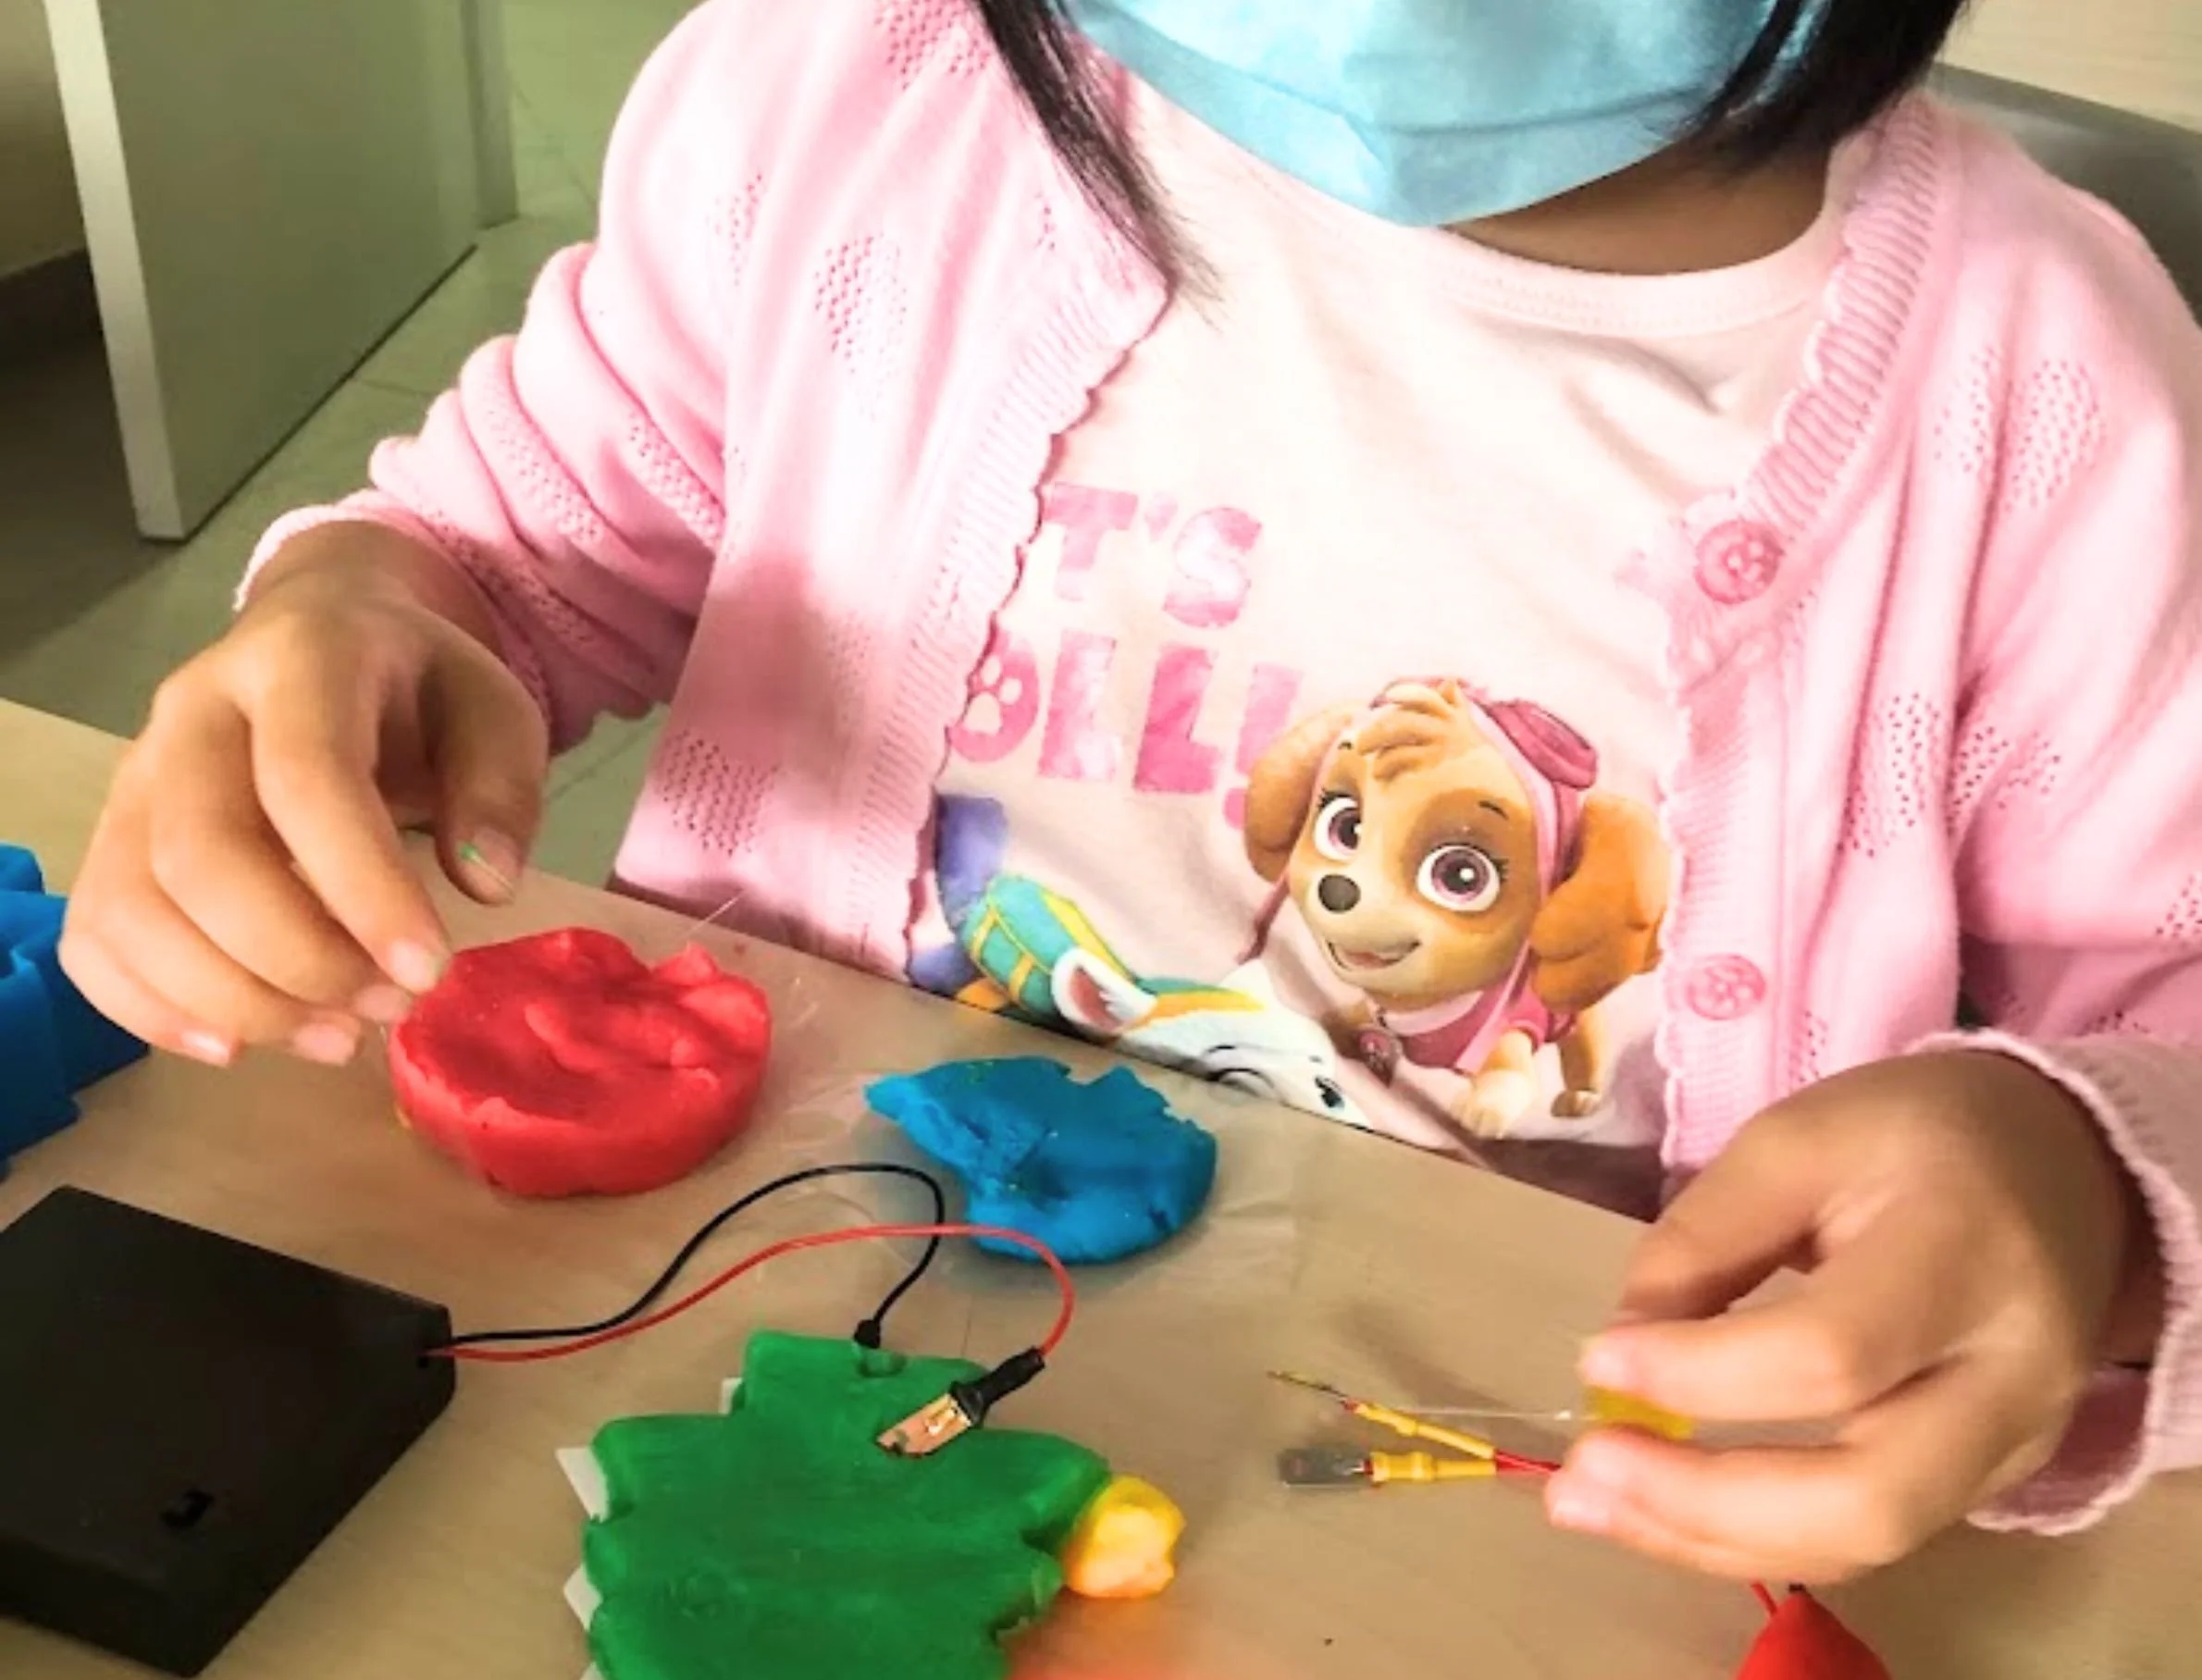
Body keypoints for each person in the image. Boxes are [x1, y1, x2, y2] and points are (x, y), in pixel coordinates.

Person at [57, 0, 2202, 1584]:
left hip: (1485, 1556)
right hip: (764, 1407)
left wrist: (2080, 1192)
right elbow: (515, 537)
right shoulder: (839, 118)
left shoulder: (2039, 404)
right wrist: (359, 622)